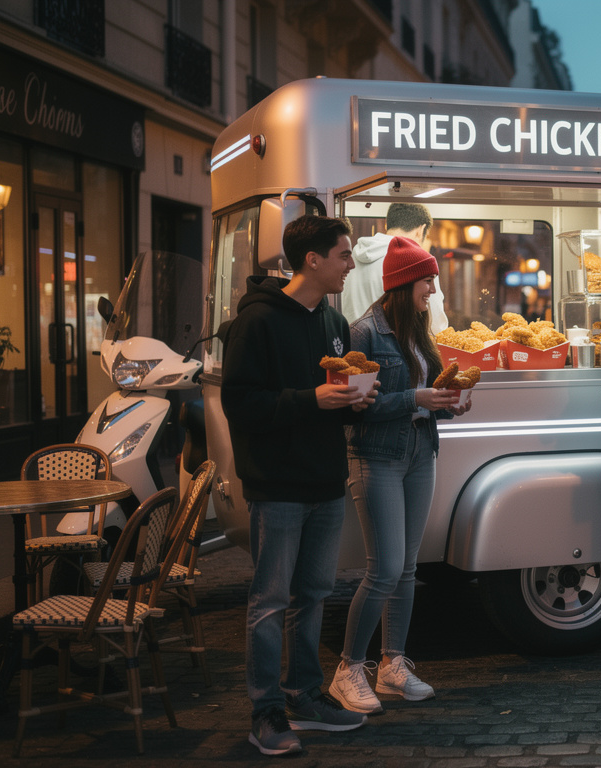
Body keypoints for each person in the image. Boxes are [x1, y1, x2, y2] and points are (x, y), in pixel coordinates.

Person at [221, 215, 374, 756]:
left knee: (312, 595)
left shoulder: (333, 320)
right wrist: (313, 399)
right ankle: (266, 712)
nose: (351, 264)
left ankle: (305, 694)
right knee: (269, 601)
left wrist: (354, 400)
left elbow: (328, 396)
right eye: (344, 254)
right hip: (278, 485)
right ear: (313, 260)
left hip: (326, 481)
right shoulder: (257, 322)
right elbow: (239, 403)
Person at [330, 237, 472, 714]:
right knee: (385, 568)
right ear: (404, 282)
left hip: (418, 454)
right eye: (427, 280)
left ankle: (393, 665)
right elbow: (354, 411)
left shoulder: (420, 331)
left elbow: (427, 396)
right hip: (375, 457)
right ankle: (348, 668)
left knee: (408, 568)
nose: (433, 288)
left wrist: (449, 403)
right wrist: (417, 400)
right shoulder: (363, 333)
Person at [342, 203, 449, 333]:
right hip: (395, 349)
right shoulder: (419, 262)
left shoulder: (351, 257)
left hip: (351, 345)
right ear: (421, 230)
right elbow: (436, 326)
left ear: (387, 224)